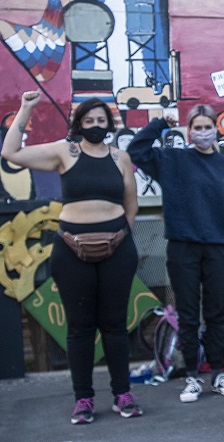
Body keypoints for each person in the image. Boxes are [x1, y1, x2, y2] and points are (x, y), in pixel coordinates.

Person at [2, 91, 141, 423]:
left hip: (117, 250)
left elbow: (131, 201)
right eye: (88, 120)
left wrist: (121, 234)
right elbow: (10, 152)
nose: (95, 125)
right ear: (79, 123)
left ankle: (123, 394)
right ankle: (83, 399)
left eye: (101, 121)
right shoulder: (65, 151)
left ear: (109, 124)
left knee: (115, 325)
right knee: (79, 328)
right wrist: (25, 109)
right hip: (72, 250)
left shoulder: (120, 157)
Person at [128, 104, 224, 404]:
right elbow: (136, 151)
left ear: (215, 130)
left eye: (208, 127)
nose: (203, 132)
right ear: (188, 130)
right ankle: (192, 377)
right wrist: (159, 124)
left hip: (219, 248)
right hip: (183, 247)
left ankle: (219, 373)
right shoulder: (173, 159)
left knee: (216, 313)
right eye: (197, 127)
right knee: (188, 315)